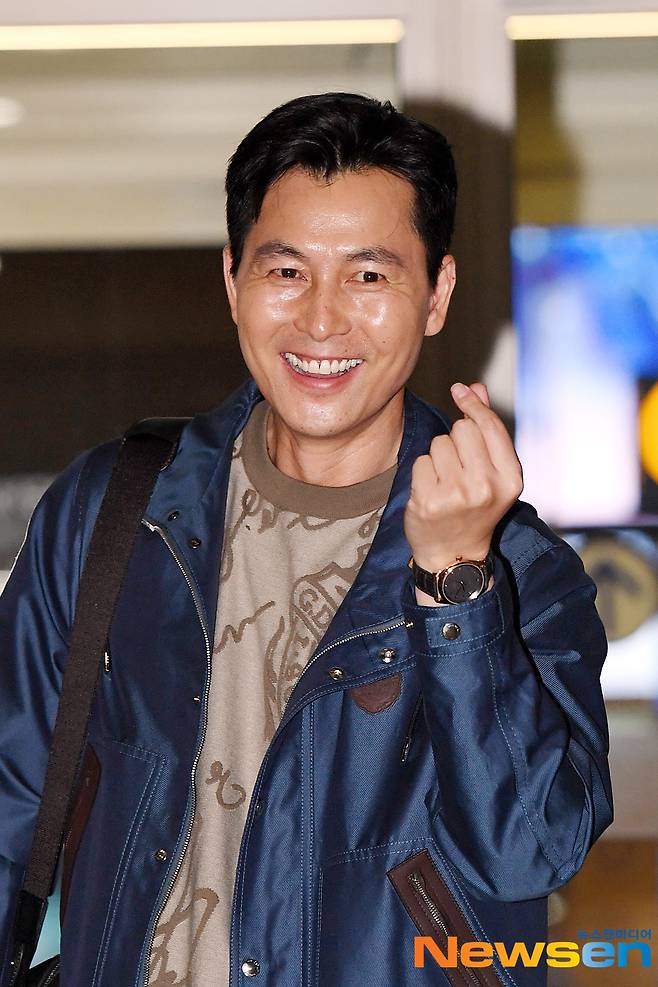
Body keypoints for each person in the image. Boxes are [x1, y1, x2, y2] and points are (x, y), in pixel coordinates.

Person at [0, 92, 612, 987]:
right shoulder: (119, 509)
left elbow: (530, 848)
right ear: (232, 281)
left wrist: (455, 585)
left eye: (369, 276)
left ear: (437, 294)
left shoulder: (521, 572)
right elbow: (10, 798)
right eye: (286, 270)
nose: (321, 321)